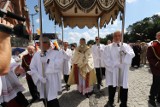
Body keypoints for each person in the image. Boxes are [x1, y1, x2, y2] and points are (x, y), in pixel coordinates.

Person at [29, 37, 69, 107]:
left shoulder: (56, 53)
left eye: (46, 42)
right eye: (42, 43)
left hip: (51, 81)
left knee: (53, 100)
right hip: (41, 81)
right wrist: (39, 77)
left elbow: (59, 65)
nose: (43, 44)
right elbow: (32, 67)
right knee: (45, 100)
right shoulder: (36, 55)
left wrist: (48, 61)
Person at [103, 31, 135, 107]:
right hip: (113, 70)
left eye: (118, 36)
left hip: (123, 70)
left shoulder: (125, 46)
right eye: (115, 36)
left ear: (121, 37)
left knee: (123, 86)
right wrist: (116, 64)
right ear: (113, 37)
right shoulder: (108, 47)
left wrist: (125, 52)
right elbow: (105, 59)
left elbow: (132, 54)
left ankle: (123, 103)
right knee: (112, 86)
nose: (117, 37)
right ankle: (111, 101)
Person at [147, 31, 160, 107]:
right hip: (157, 68)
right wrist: (157, 64)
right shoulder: (152, 46)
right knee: (156, 84)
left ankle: (159, 98)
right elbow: (150, 57)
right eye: (159, 35)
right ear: (156, 36)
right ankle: (152, 98)